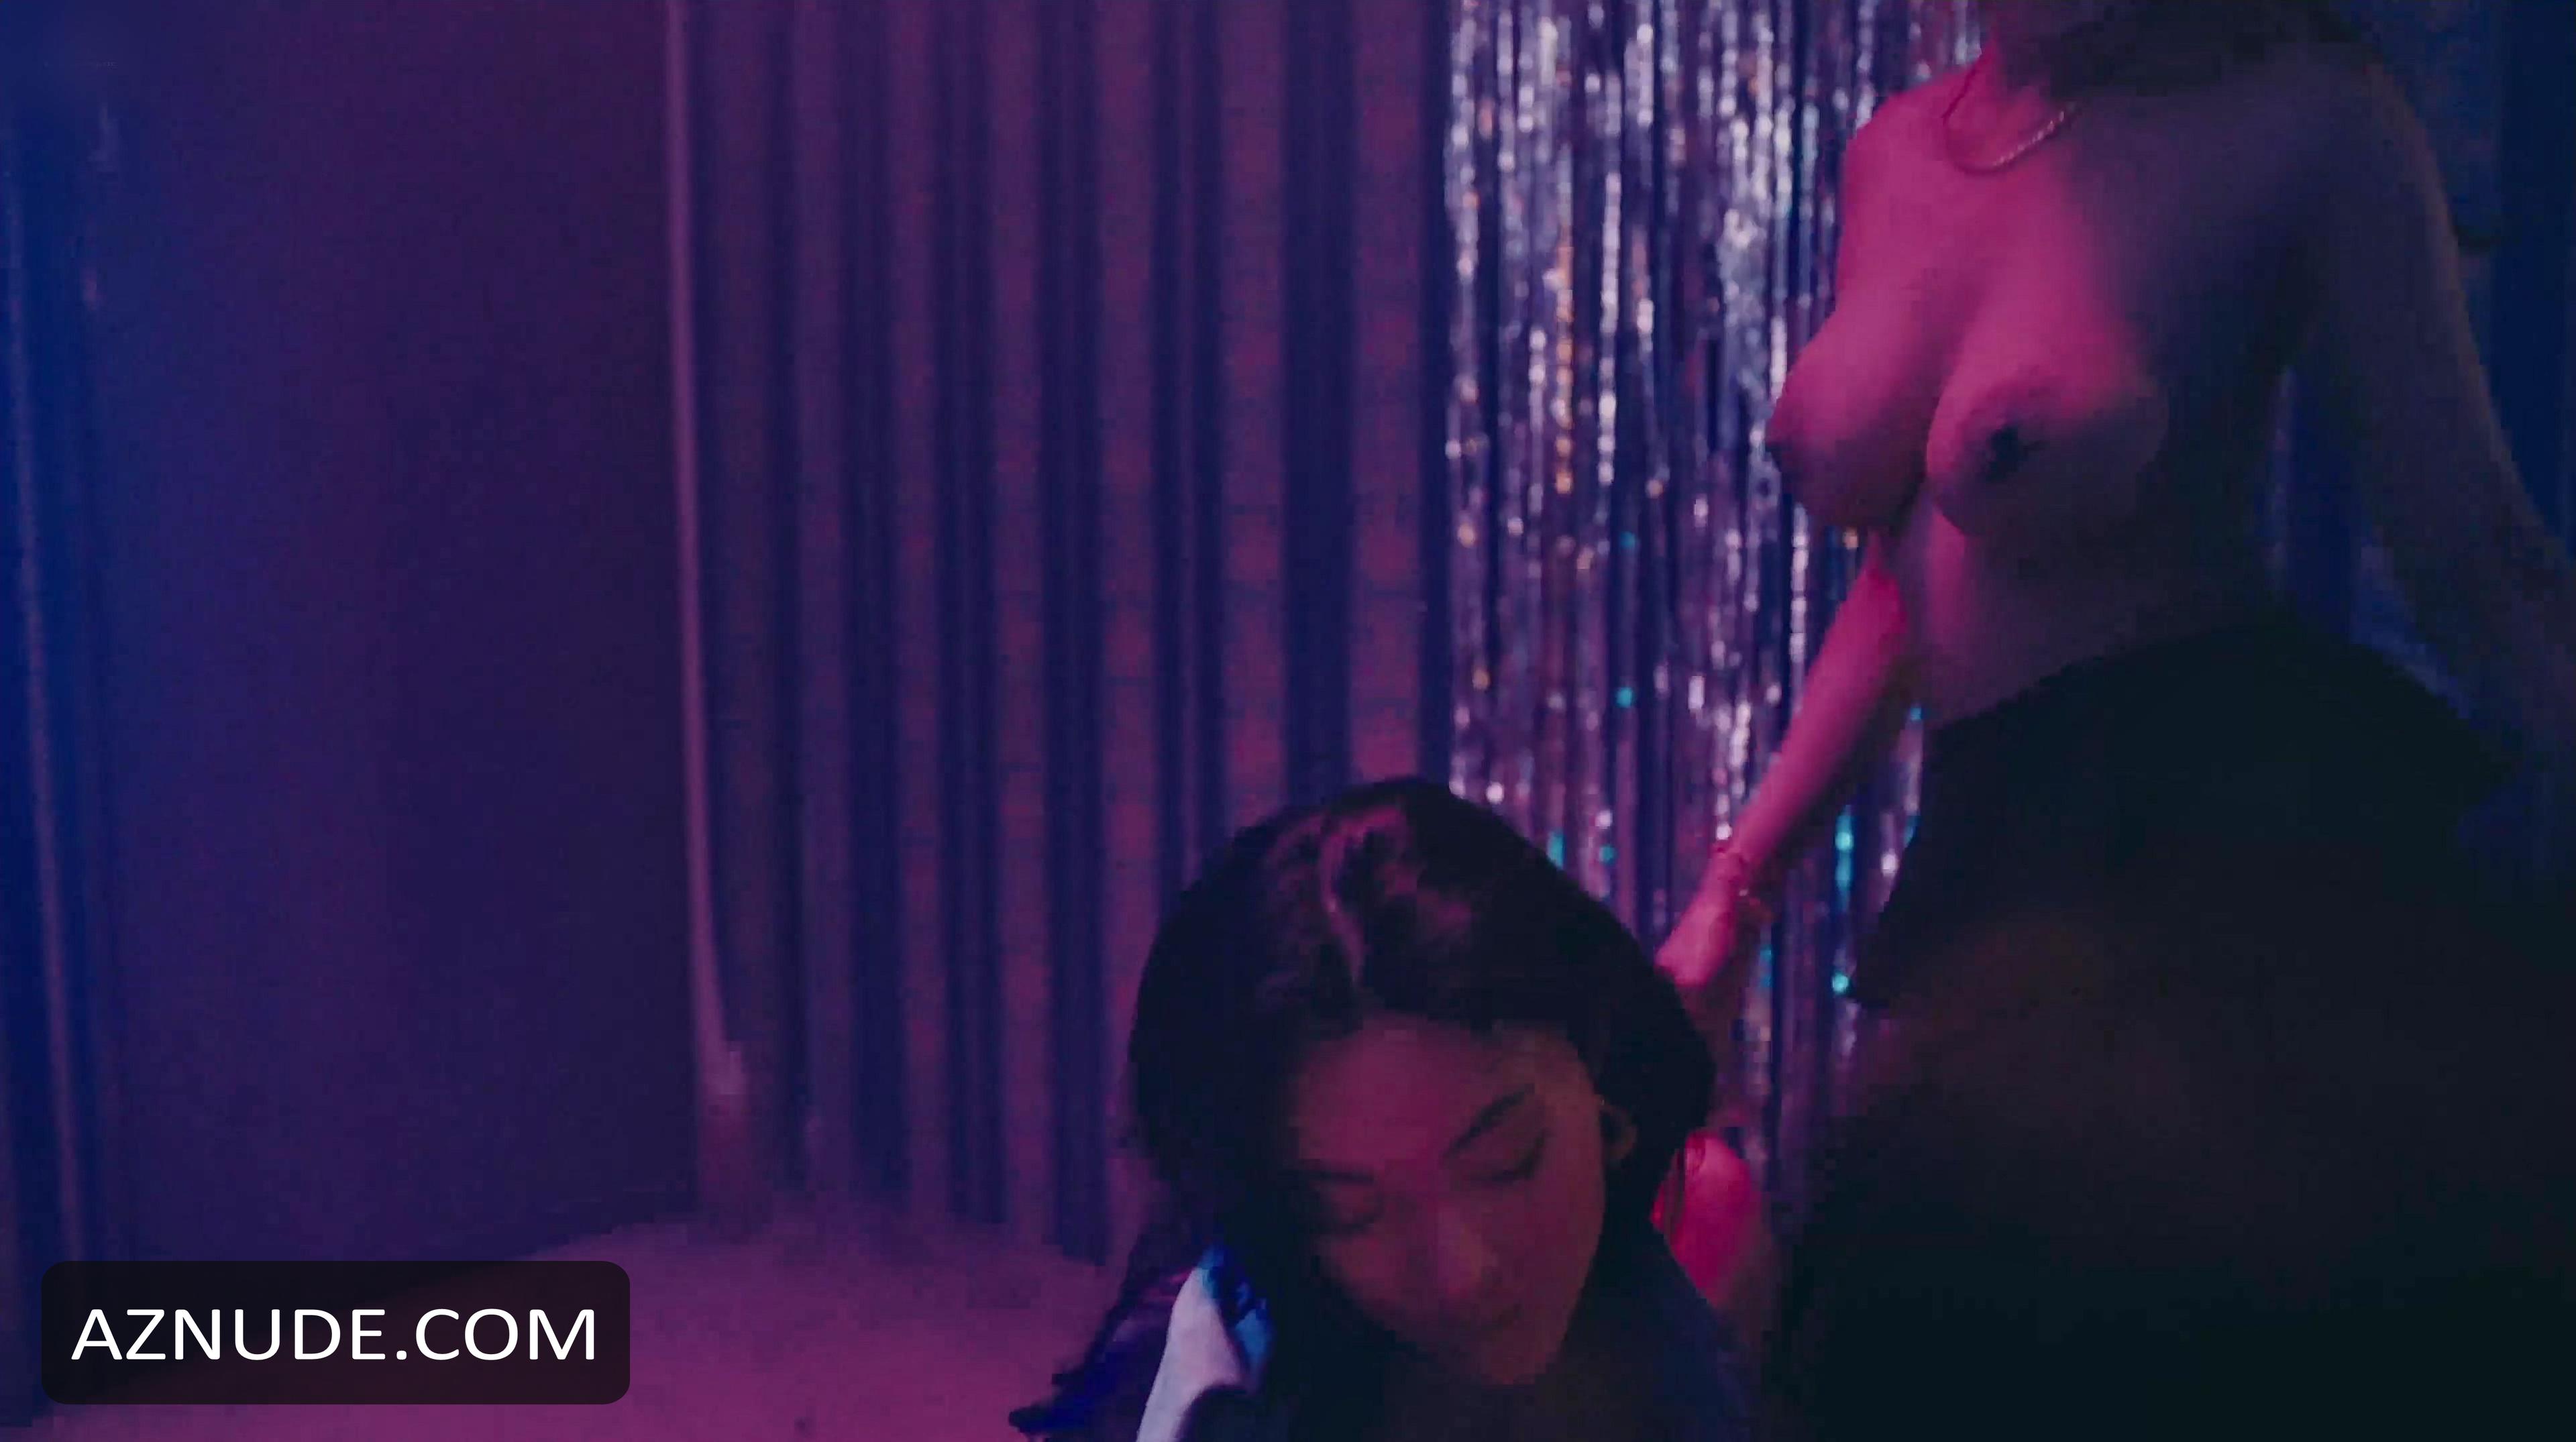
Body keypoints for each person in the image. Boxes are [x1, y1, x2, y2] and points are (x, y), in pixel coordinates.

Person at [1660, 0, 2576, 1080]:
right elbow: (1902, 588)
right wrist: (1738, 886)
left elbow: (2476, 559)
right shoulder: (1895, 150)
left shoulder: (2302, 118)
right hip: (1984, 834)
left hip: (2190, 838)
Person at [1012, 779, 1754, 1442]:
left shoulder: (1699, 1223)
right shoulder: (1220, 1386)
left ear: (1594, 1052)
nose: (1464, 1275)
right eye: (1354, 1213)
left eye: (1508, 1160)